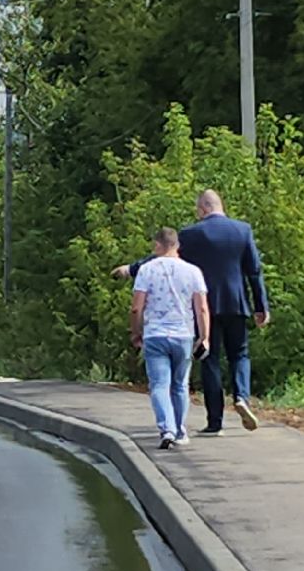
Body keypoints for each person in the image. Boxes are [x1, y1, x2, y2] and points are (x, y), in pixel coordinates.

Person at [112, 190, 269, 433]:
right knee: (240, 354)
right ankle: (242, 397)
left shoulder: (191, 234)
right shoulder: (243, 230)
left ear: (204, 208)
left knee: (210, 359)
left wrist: (130, 269)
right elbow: (254, 271)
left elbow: (164, 258)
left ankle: (215, 422)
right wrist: (261, 306)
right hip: (236, 303)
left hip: (205, 305)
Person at [129, 227, 210, 450]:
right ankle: (180, 430)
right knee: (180, 385)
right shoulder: (193, 271)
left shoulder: (146, 270)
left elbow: (137, 308)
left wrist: (135, 332)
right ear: (177, 246)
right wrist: (204, 337)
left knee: (159, 385)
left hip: (155, 334)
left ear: (158, 245)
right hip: (183, 334)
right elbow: (202, 308)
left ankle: (167, 429)